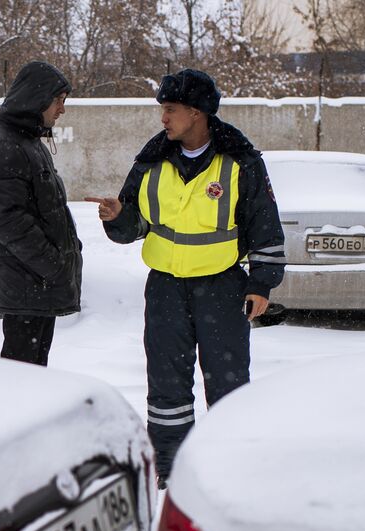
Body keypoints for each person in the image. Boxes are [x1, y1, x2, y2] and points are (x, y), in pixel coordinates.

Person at [86, 69, 284, 489]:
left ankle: (228, 464)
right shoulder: (151, 161)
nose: (163, 118)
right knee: (167, 384)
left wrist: (261, 283)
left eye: (170, 110)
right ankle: (172, 468)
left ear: (196, 113)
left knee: (228, 383)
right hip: (166, 290)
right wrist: (117, 217)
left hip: (222, 287)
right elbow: (134, 227)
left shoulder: (240, 162)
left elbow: (265, 224)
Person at [0, 61, 82, 366]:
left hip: (34, 283)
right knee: (21, 375)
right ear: (38, 98)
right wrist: (54, 264)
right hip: (26, 283)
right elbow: (9, 221)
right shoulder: (3, 144)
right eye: (58, 101)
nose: (61, 110)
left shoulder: (25, 140)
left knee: (32, 372)